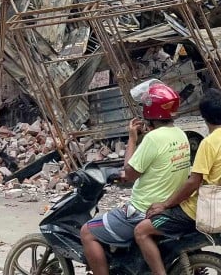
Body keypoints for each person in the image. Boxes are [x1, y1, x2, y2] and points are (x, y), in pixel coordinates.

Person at [80, 80, 191, 275]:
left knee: (87, 232)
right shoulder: (181, 135)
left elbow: (130, 173)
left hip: (142, 210)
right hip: (170, 206)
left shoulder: (153, 139)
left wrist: (132, 139)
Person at [134, 88, 221, 275]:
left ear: (203, 115)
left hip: (197, 211)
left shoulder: (209, 143)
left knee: (141, 231)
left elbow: (193, 182)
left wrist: (165, 204)